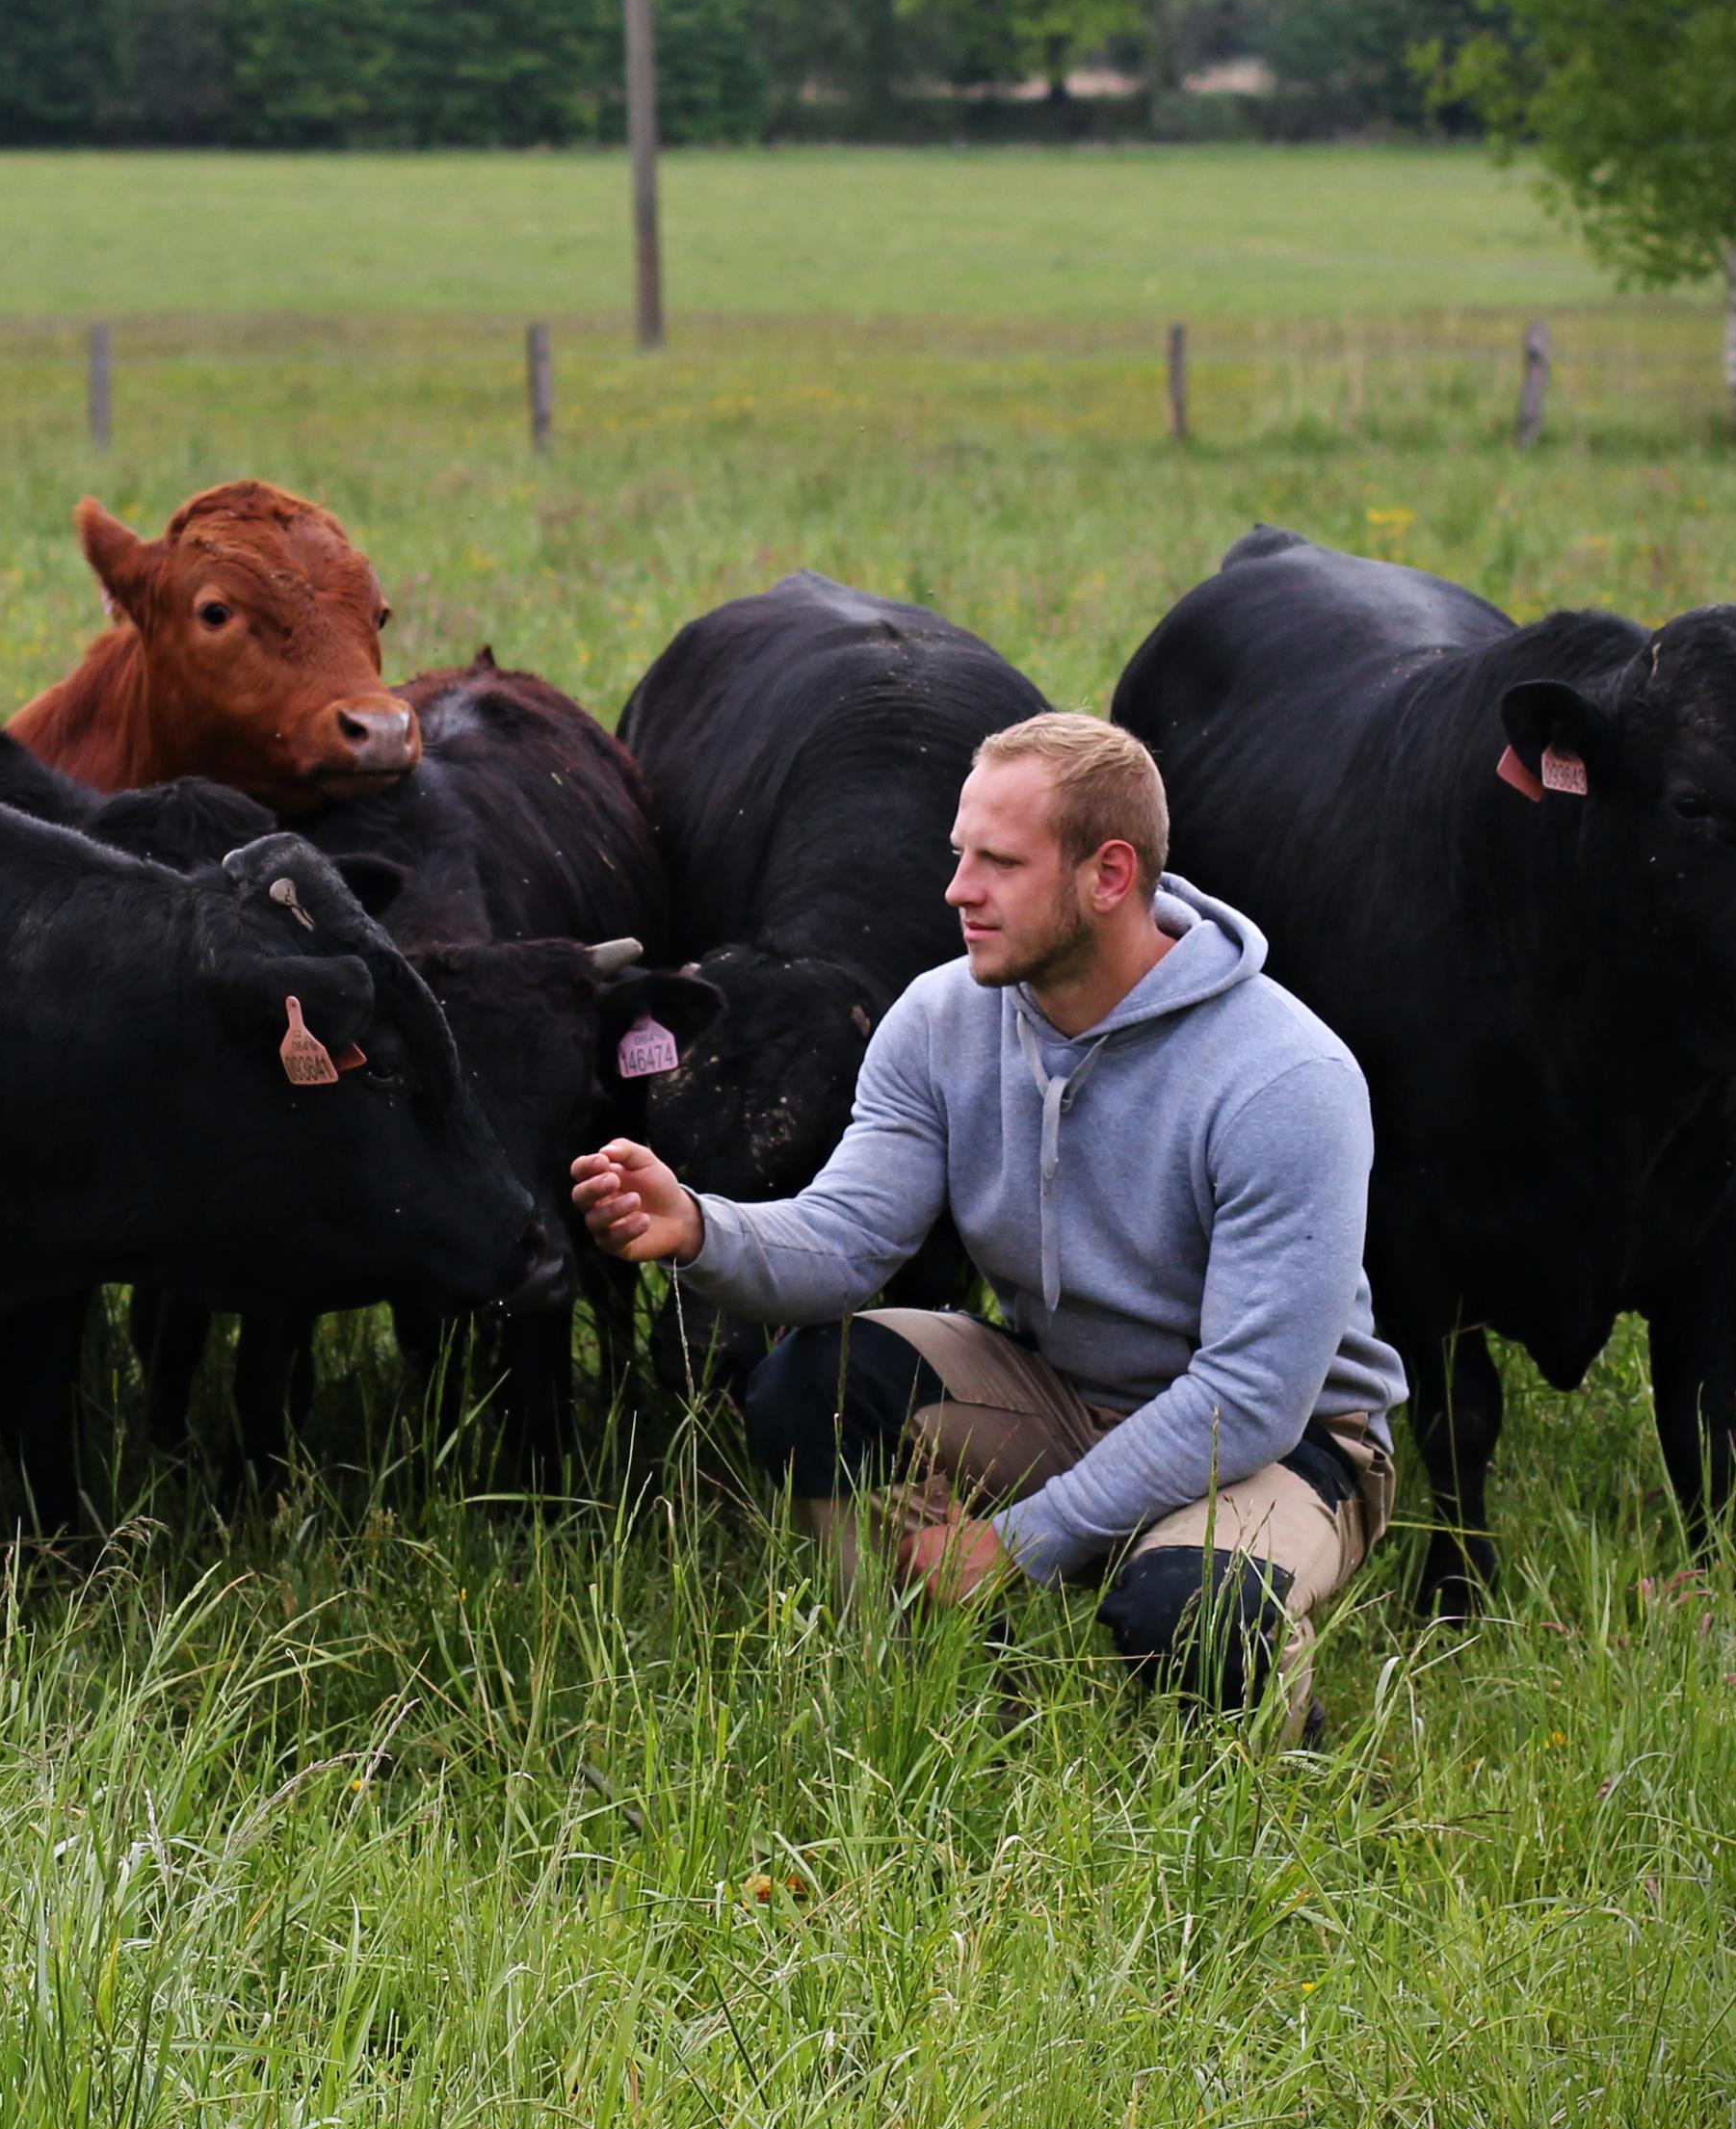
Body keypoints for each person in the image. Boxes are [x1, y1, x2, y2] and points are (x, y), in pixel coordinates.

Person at [571, 712, 1407, 1727]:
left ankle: (1283, 1766)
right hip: (1063, 1389)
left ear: (1108, 875)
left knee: (1186, 1613)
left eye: (998, 863)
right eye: (959, 853)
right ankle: (926, 1690)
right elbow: (844, 1243)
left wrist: (1017, 1541)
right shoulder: (939, 1018)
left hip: (1286, 1444)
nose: (957, 891)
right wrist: (701, 1228)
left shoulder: (1285, 1076)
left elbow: (1251, 1395)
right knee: (813, 1384)